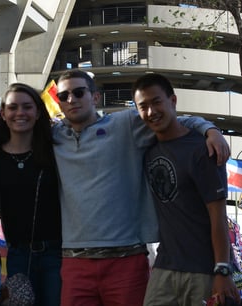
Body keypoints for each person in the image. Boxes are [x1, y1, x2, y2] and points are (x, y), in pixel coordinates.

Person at [53, 70, 230, 305]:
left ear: (95, 97)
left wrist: (210, 129)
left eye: (78, 92)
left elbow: (170, 119)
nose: (71, 100)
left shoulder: (124, 124)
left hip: (127, 260)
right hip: (76, 261)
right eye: (64, 96)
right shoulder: (53, 135)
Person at [133, 73, 240, 305]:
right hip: (165, 265)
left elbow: (218, 216)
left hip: (204, 269)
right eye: (143, 106)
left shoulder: (202, 149)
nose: (151, 112)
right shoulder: (146, 148)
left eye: (157, 102)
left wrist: (222, 269)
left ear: (173, 101)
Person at [0, 83, 61, 306]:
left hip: (56, 252)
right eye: (13, 107)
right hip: (17, 252)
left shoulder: (55, 147)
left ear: (38, 113)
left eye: (27, 107)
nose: (20, 113)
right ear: (3, 114)